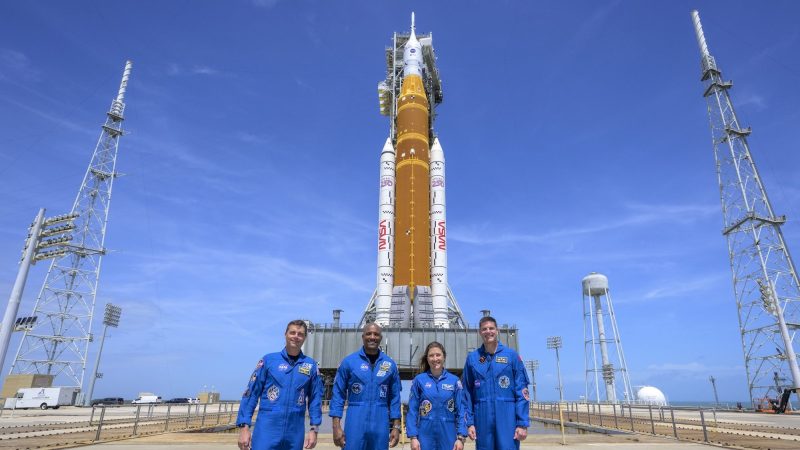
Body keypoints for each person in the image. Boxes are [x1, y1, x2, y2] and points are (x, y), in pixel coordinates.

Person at [236, 319, 322, 450]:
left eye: (300, 334)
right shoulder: (269, 361)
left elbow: (315, 399)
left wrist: (314, 429)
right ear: (285, 334)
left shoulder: (310, 366)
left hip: (294, 432)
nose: (296, 336)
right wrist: (244, 427)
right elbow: (251, 394)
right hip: (267, 429)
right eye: (292, 332)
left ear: (305, 338)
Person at [330, 323, 402, 449]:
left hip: (381, 421)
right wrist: (336, 426)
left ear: (381, 338)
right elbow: (338, 395)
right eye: (369, 334)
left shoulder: (390, 365)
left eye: (376, 334)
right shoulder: (349, 362)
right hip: (355, 420)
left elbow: (395, 398)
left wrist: (396, 427)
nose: (372, 337)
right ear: (363, 336)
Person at [462, 316, 530, 450]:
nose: (488, 332)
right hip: (482, 417)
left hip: (507, 416)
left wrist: (522, 423)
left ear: (497, 330)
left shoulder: (511, 356)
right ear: (480, 332)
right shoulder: (473, 359)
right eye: (484, 329)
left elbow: (522, 391)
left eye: (491, 328)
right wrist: (469, 423)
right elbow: (467, 393)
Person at [407, 342, 468, 450]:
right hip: (425, 435)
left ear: (444, 357)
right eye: (431, 355)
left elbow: (461, 410)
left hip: (448, 434)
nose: (435, 359)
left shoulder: (454, 381)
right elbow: (412, 410)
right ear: (427, 358)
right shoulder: (419, 380)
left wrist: (461, 437)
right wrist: (413, 437)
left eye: (438, 355)